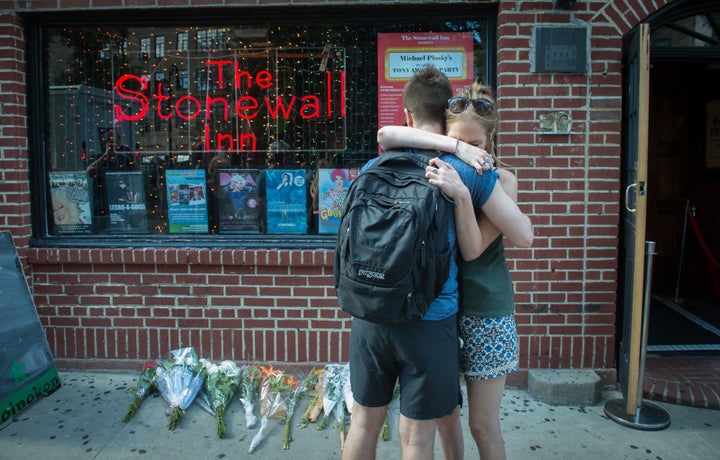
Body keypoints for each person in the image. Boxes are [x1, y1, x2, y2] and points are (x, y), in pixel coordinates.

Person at [342, 65, 532, 460]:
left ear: (408, 116)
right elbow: (521, 235)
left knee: (362, 423)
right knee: (416, 437)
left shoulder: (373, 167)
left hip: (370, 313)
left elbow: (385, 137)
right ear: (447, 117)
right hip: (430, 319)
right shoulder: (466, 170)